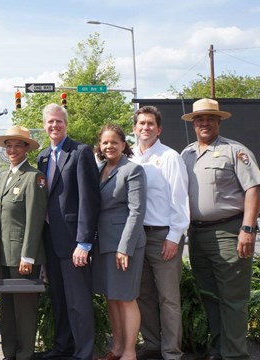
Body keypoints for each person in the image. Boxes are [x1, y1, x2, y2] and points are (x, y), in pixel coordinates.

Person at [180, 98, 260, 360]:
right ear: (193, 123)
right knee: (210, 296)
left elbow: (253, 189)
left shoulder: (235, 151)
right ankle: (219, 349)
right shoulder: (186, 154)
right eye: (199, 119)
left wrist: (248, 229)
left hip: (229, 233)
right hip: (197, 235)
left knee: (233, 299)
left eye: (210, 119)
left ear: (219, 121)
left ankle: (235, 355)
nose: (204, 123)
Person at [36, 104, 100, 360]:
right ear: (44, 125)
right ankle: (62, 347)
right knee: (60, 299)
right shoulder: (42, 156)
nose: (54, 126)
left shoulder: (80, 152)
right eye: (50, 122)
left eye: (59, 122)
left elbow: (89, 200)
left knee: (78, 301)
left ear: (66, 124)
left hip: (73, 242)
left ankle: (84, 352)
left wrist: (84, 242)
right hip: (50, 239)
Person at [131, 106, 189, 360]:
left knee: (169, 298)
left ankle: (172, 351)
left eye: (150, 123)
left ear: (159, 128)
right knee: (143, 294)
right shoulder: (130, 156)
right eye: (141, 123)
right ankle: (152, 344)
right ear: (135, 128)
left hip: (162, 235)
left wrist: (174, 236)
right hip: (137, 237)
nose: (146, 127)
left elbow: (180, 199)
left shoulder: (170, 157)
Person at [92, 124, 147, 360]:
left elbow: (136, 211)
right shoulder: (98, 169)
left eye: (114, 142)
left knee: (125, 298)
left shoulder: (133, 170)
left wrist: (125, 248)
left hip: (124, 245)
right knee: (111, 297)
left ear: (124, 145)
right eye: (105, 142)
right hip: (103, 244)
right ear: (100, 147)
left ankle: (129, 351)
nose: (109, 146)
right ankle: (116, 346)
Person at [0, 125, 47, 360]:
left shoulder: (34, 177)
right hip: (2, 254)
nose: (12, 150)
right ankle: (9, 353)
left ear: (26, 148)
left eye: (17, 145)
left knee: (24, 311)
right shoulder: (4, 176)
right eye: (8, 146)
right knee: (7, 310)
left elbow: (35, 220)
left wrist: (28, 256)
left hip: (22, 256)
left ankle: (25, 355)